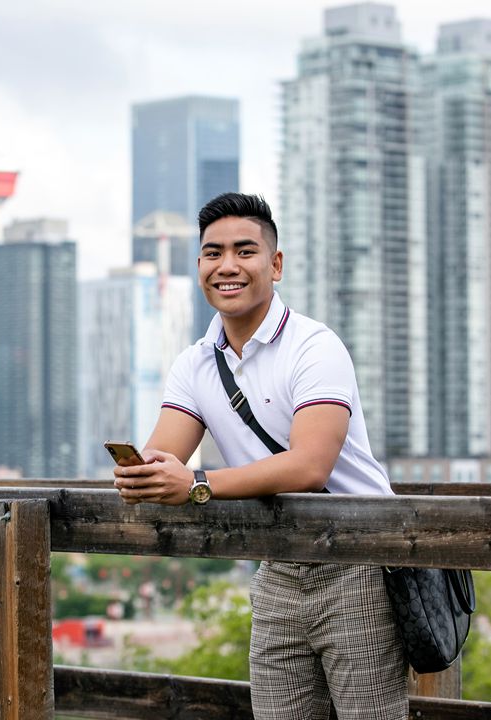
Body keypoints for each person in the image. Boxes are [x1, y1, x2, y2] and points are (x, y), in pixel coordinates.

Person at [113, 192, 406, 719]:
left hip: (358, 560)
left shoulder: (315, 346)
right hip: (276, 564)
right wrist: (143, 475)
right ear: (199, 267)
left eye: (244, 251)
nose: (227, 266)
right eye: (213, 253)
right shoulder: (195, 364)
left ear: (275, 265)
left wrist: (197, 484)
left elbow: (309, 466)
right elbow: (165, 456)